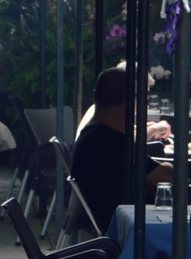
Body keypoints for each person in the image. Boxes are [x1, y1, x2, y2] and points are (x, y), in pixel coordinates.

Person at [68, 67, 170, 234]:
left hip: (117, 224)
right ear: (134, 103)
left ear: (95, 96)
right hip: (133, 231)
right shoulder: (111, 143)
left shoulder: (92, 136)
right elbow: (167, 178)